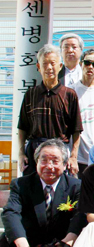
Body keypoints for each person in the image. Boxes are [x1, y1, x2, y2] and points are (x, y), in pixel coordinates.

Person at [0, 139, 86, 247]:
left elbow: (81, 216)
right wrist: (22, 243)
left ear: (65, 164)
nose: (49, 166)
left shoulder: (76, 186)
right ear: (36, 161)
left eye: (55, 161)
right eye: (44, 160)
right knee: (5, 239)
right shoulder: (21, 184)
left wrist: (68, 241)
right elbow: (10, 213)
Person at [17, 44, 83, 176]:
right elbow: (22, 127)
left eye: (52, 63)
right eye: (44, 63)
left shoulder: (69, 95)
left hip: (60, 151)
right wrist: (20, 153)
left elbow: (76, 129)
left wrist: (73, 157)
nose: (49, 68)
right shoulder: (31, 94)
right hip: (35, 152)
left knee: (60, 193)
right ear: (38, 67)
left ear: (60, 66)